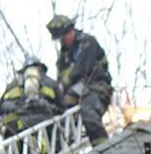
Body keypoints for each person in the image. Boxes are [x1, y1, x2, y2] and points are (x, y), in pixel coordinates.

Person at [46, 12, 113, 142]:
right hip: (76, 92)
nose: (63, 42)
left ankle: (103, 148)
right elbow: (61, 78)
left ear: (70, 31)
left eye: (63, 38)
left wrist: (64, 84)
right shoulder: (63, 57)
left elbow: (83, 67)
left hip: (97, 88)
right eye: (60, 39)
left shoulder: (88, 43)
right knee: (61, 112)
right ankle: (63, 141)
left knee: (88, 112)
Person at [0, 56, 59, 142]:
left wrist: (17, 107)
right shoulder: (51, 83)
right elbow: (62, 108)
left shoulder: (12, 85)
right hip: (44, 132)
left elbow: (0, 108)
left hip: (14, 132)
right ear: (41, 68)